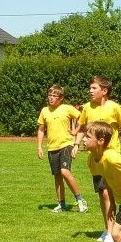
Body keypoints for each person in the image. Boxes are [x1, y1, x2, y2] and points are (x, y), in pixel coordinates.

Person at [72, 75, 121, 242]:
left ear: (104, 90)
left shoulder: (114, 107)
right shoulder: (87, 107)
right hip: (96, 158)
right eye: (90, 88)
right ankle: (108, 229)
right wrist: (76, 144)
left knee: (109, 193)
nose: (90, 91)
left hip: (111, 157)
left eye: (94, 88)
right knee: (102, 193)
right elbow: (82, 129)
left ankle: (113, 230)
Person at [37, 85, 88, 213]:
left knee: (65, 171)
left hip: (66, 144)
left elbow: (82, 119)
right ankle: (61, 204)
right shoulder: (44, 111)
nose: (51, 98)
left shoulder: (67, 108)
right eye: (50, 95)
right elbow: (41, 129)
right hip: (52, 148)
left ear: (61, 98)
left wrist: (76, 132)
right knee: (57, 176)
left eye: (54, 96)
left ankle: (80, 199)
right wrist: (39, 146)